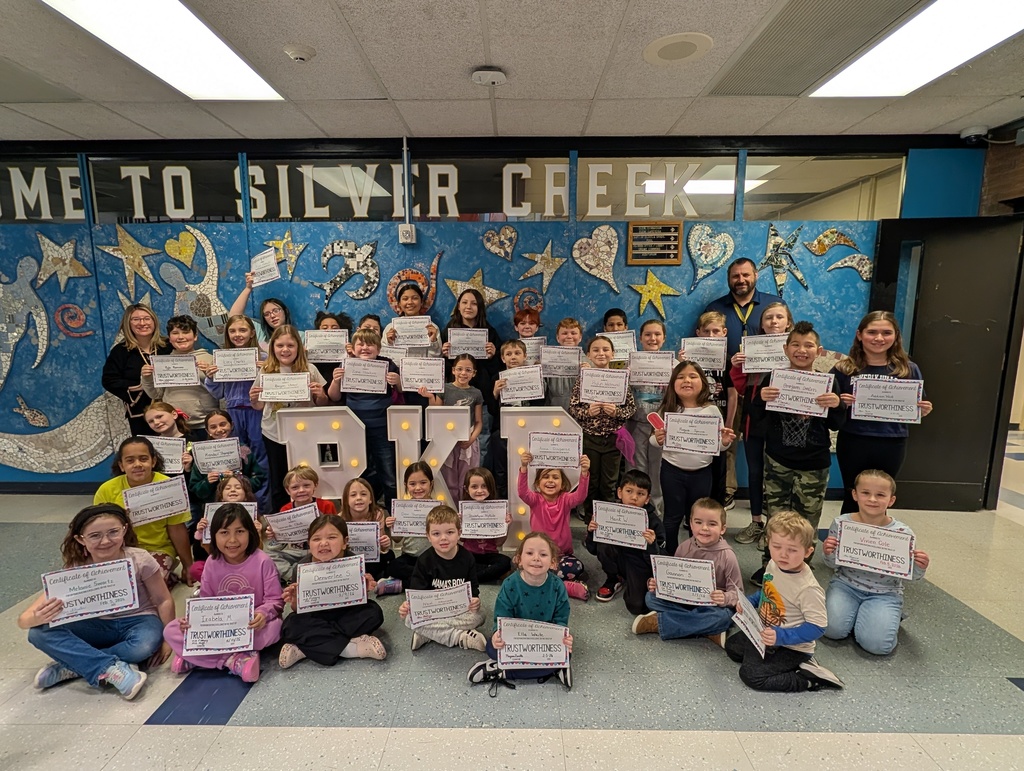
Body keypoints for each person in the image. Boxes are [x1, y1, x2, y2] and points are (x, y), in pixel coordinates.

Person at [18, 503, 174, 701]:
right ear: (80, 539)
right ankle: (108, 667)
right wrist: (38, 617)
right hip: (96, 625)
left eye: (113, 532)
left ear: (124, 530)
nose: (105, 541)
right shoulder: (75, 568)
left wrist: (168, 639)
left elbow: (163, 599)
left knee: (144, 646)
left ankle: (75, 665)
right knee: (38, 633)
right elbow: (24, 620)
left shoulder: (140, 559)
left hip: (139, 621)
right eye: (94, 535)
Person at [747, 321, 846, 585]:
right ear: (785, 348)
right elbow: (756, 419)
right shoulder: (773, 379)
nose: (802, 350)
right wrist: (760, 400)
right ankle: (770, 566)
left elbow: (836, 424)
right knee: (776, 518)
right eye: (796, 345)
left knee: (807, 520)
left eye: (808, 345)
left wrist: (837, 405)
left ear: (819, 351)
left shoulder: (828, 383)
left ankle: (802, 569)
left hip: (814, 463)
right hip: (777, 461)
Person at [725, 511, 843, 692]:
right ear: (768, 543)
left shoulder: (808, 589)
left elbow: (818, 627)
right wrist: (749, 602)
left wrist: (781, 636)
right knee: (732, 647)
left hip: (792, 647)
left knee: (751, 675)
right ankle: (778, 662)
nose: (783, 555)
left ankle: (808, 679)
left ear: (808, 552)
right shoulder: (774, 565)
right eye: (777, 546)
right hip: (766, 633)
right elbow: (768, 591)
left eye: (792, 550)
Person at [164, 504, 283, 683]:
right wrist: (192, 621)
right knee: (171, 630)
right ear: (214, 536)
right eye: (224, 532)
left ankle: (198, 658)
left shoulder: (262, 561)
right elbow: (205, 602)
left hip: (249, 626)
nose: (232, 540)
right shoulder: (211, 562)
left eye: (240, 531)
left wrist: (263, 614)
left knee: (276, 629)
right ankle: (233, 660)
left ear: (250, 533)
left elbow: (275, 600)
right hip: (218, 627)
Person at [832, 311, 934, 514]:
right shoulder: (843, 369)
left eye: (886, 333)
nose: (879, 338)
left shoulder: (908, 370)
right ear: (859, 335)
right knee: (853, 494)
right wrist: (839, 403)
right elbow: (828, 409)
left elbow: (916, 405)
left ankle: (876, 535)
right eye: (872, 332)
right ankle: (848, 534)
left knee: (880, 498)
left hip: (892, 442)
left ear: (896, 336)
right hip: (853, 440)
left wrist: (923, 410)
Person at [822, 470, 929, 655]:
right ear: (855, 495)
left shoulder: (902, 533)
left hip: (885, 592)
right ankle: (865, 617)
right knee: (830, 630)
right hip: (845, 586)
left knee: (878, 646)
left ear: (891, 500)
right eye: (865, 493)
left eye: (880, 495)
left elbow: (910, 575)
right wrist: (828, 553)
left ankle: (885, 617)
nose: (872, 499)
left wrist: (919, 567)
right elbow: (832, 565)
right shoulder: (841, 524)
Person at [467, 531, 573, 692]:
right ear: (519, 559)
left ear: (553, 563)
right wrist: (497, 635)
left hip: (544, 641)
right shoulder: (510, 584)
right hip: (516, 640)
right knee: (492, 647)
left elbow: (561, 617)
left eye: (543, 554)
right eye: (529, 553)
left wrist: (563, 638)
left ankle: (501, 671)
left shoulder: (557, 586)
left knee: (567, 653)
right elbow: (501, 616)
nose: (536, 558)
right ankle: (554, 669)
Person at [278, 514, 386, 668]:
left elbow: (358, 602)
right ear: (309, 543)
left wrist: (364, 589)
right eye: (316, 539)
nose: (323, 543)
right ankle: (351, 649)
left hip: (345, 614)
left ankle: (305, 649)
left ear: (345, 542)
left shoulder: (353, 561)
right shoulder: (302, 568)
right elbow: (297, 610)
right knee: (290, 625)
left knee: (373, 613)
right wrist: (295, 600)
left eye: (332, 537)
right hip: (316, 616)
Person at [652, 361, 736, 556]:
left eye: (693, 376)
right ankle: (670, 556)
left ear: (703, 382)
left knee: (698, 519)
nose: (687, 380)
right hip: (672, 472)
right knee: (672, 517)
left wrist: (724, 442)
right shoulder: (667, 409)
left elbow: (719, 446)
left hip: (702, 474)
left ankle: (696, 556)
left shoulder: (712, 411)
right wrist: (657, 439)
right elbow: (653, 441)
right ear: (673, 383)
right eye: (680, 377)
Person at [632, 498, 741, 645]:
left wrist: (725, 597)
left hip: (711, 606)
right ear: (690, 524)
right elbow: (673, 578)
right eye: (698, 522)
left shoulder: (728, 556)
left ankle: (659, 623)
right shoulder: (684, 547)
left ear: (722, 528)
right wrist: (659, 585)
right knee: (650, 598)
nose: (704, 528)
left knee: (725, 616)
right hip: (683, 600)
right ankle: (708, 630)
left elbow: (738, 594)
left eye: (712, 524)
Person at [728, 302, 794, 546]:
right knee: (755, 472)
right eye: (768, 318)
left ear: (788, 322)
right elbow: (741, 386)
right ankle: (756, 522)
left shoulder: (796, 348)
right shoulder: (752, 349)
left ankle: (778, 527)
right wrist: (737, 366)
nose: (774, 321)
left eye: (779, 317)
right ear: (762, 324)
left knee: (781, 473)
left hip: (786, 421)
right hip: (754, 418)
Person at [93, 437, 193, 587]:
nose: (137, 464)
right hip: (120, 549)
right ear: (121, 465)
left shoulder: (169, 487)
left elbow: (177, 529)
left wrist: (188, 566)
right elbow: (99, 530)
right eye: (130, 460)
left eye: (143, 459)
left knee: (148, 586)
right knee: (113, 585)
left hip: (159, 549)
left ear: (153, 461)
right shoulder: (106, 490)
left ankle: (166, 574)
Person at [249, 325, 328, 511]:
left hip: (304, 434)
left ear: (298, 347)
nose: (285, 350)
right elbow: (259, 406)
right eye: (280, 345)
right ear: (273, 348)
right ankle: (282, 519)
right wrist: (253, 399)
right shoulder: (266, 371)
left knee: (306, 477)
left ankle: (310, 514)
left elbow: (322, 404)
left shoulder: (310, 369)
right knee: (279, 480)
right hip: (274, 433)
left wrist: (321, 394)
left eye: (290, 345)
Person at [327, 328, 401, 507]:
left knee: (389, 476)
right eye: (360, 344)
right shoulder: (346, 365)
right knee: (356, 474)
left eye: (370, 344)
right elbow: (334, 397)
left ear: (379, 349)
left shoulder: (387, 364)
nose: (365, 348)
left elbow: (401, 390)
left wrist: (397, 381)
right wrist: (336, 380)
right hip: (353, 430)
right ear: (352, 348)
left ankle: (393, 513)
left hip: (383, 429)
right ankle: (359, 511)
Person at [398, 505, 487, 651]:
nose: (443, 538)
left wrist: (474, 601)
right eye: (436, 534)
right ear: (428, 536)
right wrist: (408, 606)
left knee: (481, 614)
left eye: (450, 532)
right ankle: (459, 637)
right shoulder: (424, 560)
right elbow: (417, 593)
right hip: (433, 612)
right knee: (408, 618)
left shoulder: (467, 558)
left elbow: (473, 588)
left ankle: (428, 634)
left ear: (459, 533)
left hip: (459, 611)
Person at [204, 314, 269, 509]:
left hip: (257, 411)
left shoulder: (265, 358)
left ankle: (262, 508)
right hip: (232, 413)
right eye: (232, 331)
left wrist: (267, 372)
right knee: (235, 458)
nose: (237, 334)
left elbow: (275, 388)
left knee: (260, 458)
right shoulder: (222, 359)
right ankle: (235, 505)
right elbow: (218, 392)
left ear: (252, 333)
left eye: (242, 330)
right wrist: (211, 377)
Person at [568, 336, 636, 520]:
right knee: (590, 481)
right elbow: (573, 408)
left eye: (606, 350)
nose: (601, 353)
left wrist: (617, 412)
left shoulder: (620, 379)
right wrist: (587, 412)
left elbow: (631, 408)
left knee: (609, 483)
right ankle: (591, 522)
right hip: (589, 438)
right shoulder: (583, 380)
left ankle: (607, 523)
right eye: (596, 350)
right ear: (588, 355)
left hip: (613, 440)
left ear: (613, 354)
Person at [587, 469, 665, 612]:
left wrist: (652, 544)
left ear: (647, 498)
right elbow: (592, 550)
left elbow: (660, 560)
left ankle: (638, 582)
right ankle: (614, 578)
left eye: (640, 494)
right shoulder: (608, 514)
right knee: (604, 545)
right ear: (619, 492)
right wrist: (592, 533)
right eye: (629, 491)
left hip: (639, 563)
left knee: (636, 606)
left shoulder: (654, 522)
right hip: (617, 558)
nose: (634, 497)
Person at [517, 451, 591, 601]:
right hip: (539, 555)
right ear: (538, 484)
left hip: (561, 556)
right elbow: (522, 492)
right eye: (546, 476)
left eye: (555, 477)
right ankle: (565, 586)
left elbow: (580, 496)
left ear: (562, 483)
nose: (550, 481)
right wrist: (524, 467)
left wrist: (584, 472)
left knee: (576, 567)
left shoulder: (566, 499)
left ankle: (544, 584)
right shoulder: (535, 500)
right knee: (520, 564)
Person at [139, 315, 217, 440]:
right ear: (170, 338)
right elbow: (156, 394)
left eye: (186, 332)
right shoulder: (163, 363)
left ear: (195, 336)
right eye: (175, 333)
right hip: (175, 425)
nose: (181, 337)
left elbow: (220, 393)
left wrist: (210, 376)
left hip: (205, 423)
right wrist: (146, 378)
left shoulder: (210, 359)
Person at [688, 311, 736, 509]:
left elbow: (732, 395)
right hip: (694, 424)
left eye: (716, 331)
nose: (711, 336)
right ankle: (693, 509)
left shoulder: (728, 362)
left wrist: (729, 423)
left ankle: (716, 507)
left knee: (719, 467)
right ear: (698, 333)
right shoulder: (690, 361)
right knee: (696, 466)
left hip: (719, 423)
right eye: (706, 331)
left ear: (724, 333)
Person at [486, 339, 545, 497]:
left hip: (529, 427)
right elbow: (492, 411)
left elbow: (540, 405)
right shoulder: (496, 378)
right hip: (503, 428)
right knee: (500, 460)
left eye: (517, 353)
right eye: (509, 354)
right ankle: (502, 495)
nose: (513, 357)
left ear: (525, 356)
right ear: (502, 358)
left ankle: (529, 494)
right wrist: (495, 393)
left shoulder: (534, 376)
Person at [102, 304, 171, 437]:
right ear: (128, 323)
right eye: (136, 319)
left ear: (154, 321)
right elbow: (109, 380)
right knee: (146, 447)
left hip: (172, 407)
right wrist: (138, 386)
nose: (142, 323)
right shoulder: (121, 351)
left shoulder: (168, 345)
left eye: (146, 318)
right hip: (141, 411)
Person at [425, 354, 483, 503]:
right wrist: (430, 397)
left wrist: (472, 439)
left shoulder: (476, 393)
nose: (463, 373)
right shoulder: (445, 389)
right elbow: (435, 414)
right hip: (446, 441)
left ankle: (467, 508)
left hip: (467, 441)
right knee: (448, 479)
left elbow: (478, 422)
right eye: (460, 369)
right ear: (453, 370)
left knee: (467, 478)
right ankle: (450, 508)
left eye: (468, 370)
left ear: (474, 373)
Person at [265, 465, 337, 584]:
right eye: (295, 487)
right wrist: (274, 535)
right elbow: (279, 544)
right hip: (294, 551)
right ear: (288, 490)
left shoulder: (327, 506)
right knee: (268, 555)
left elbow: (336, 532)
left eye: (306, 485)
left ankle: (301, 571)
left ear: (315, 486)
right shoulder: (285, 509)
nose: (301, 490)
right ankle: (293, 576)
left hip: (319, 550)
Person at [186, 409, 267, 513]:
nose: (219, 429)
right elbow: (195, 489)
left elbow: (258, 480)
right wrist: (207, 482)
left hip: (243, 507)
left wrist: (239, 478)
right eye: (213, 427)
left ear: (231, 425)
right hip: (213, 509)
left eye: (223, 424)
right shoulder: (201, 453)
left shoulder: (244, 450)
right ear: (207, 431)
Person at [703, 257, 783, 361]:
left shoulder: (775, 305)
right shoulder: (714, 308)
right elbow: (702, 345)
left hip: (766, 369)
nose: (741, 280)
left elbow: (790, 340)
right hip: (725, 370)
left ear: (756, 275)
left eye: (746, 275)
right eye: (735, 276)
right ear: (728, 279)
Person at [627, 319, 668, 517]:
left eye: (657, 334)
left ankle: (656, 512)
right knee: (636, 468)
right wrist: (624, 376)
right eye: (648, 335)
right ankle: (634, 510)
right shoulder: (630, 364)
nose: (653, 338)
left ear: (664, 338)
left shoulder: (674, 365)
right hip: (636, 424)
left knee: (658, 470)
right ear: (640, 338)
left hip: (661, 427)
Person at [192, 474, 260, 583]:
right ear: (221, 497)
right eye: (228, 488)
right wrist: (201, 532)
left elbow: (258, 551)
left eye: (238, 487)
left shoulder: (253, 517)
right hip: (220, 562)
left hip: (247, 563)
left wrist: (258, 533)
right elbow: (211, 552)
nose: (233, 490)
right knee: (196, 568)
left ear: (246, 496)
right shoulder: (211, 515)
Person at [384, 462, 438, 585]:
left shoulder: (438, 508)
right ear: (406, 485)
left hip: (432, 557)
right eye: (412, 484)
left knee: (443, 566)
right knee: (393, 567)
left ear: (431, 484)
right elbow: (397, 539)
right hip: (409, 556)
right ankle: (427, 579)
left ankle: (404, 584)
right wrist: (391, 527)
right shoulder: (402, 509)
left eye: (423, 483)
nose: (418, 488)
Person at [460, 467, 513, 583]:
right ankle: (488, 573)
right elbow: (462, 539)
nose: (480, 490)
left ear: (491, 487)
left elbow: (499, 543)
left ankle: (472, 578)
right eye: (474, 487)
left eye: (484, 486)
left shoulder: (498, 511)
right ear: (466, 489)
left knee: (506, 562)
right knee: (458, 561)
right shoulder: (464, 511)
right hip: (470, 554)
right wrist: (458, 525)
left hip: (490, 555)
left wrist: (506, 526)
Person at [340, 477, 395, 582]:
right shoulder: (340, 519)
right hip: (350, 560)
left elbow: (381, 548)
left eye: (363, 494)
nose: (359, 498)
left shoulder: (378, 514)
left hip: (372, 559)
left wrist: (385, 543)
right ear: (346, 500)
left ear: (370, 499)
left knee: (390, 556)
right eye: (353, 495)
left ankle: (379, 580)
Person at [228, 272, 297, 353]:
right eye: (267, 314)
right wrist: (248, 288)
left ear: (285, 311)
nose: (272, 315)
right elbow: (234, 317)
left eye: (276, 310)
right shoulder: (260, 332)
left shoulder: (300, 335)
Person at [544, 318, 584, 412]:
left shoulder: (589, 362)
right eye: (564, 333)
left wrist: (588, 373)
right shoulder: (547, 361)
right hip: (554, 413)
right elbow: (542, 390)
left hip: (581, 414)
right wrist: (538, 373)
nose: (569, 336)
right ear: (558, 337)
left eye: (573, 333)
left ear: (580, 337)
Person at [311, 310, 354, 383]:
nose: (329, 330)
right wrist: (304, 356)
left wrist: (352, 356)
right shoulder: (310, 351)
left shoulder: (349, 350)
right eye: (324, 328)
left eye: (334, 328)